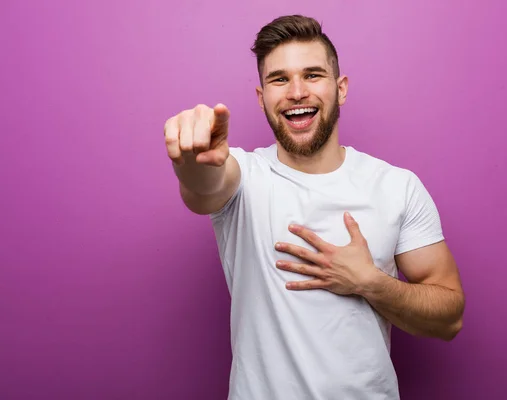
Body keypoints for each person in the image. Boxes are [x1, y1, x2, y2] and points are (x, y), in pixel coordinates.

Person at [163, 14, 465, 400]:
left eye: (313, 75)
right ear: (261, 99)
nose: (297, 92)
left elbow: (450, 318)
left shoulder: (396, 186)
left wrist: (371, 283)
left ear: (340, 89)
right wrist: (191, 159)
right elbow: (204, 188)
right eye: (279, 79)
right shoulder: (245, 176)